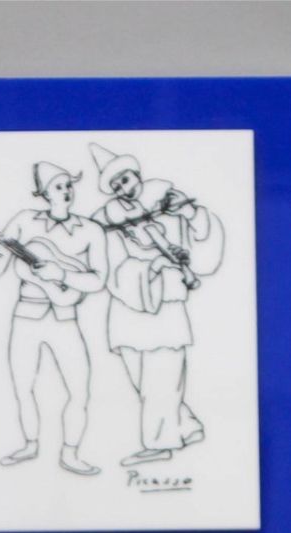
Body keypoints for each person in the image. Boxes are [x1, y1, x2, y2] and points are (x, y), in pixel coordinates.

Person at [89, 142, 224, 467]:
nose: (124, 189)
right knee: (141, 378)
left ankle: (159, 444)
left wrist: (188, 212)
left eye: (126, 179)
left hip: (167, 302)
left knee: (162, 377)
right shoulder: (107, 220)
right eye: (116, 185)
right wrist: (152, 266)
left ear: (136, 174)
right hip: (128, 304)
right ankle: (186, 426)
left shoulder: (166, 197)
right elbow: (111, 266)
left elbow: (204, 232)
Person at [0, 162, 109, 475]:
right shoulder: (24, 221)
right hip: (27, 316)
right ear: (44, 193)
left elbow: (98, 280)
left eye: (69, 184)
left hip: (66, 317)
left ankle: (71, 453)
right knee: (23, 386)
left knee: (79, 390)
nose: (66, 191)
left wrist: (60, 274)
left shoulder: (91, 229)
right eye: (58, 186)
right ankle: (30, 444)